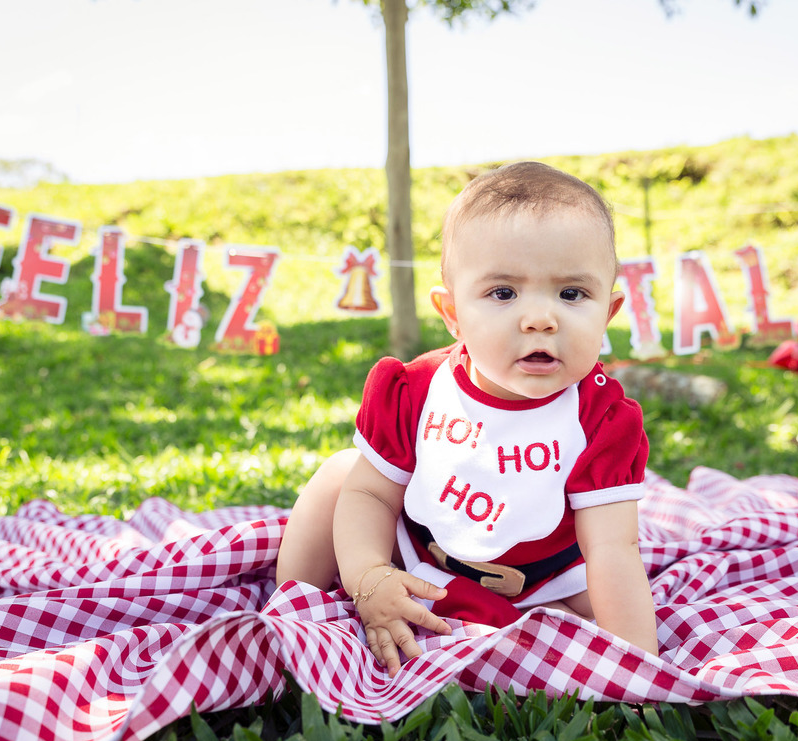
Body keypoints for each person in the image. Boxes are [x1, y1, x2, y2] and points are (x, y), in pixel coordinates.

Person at [276, 161, 657, 676]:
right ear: (453, 312)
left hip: (543, 580)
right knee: (341, 477)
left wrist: (639, 669)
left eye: (572, 294)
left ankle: (529, 624)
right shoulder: (417, 389)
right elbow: (371, 496)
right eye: (503, 293)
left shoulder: (601, 418)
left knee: (599, 602)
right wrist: (369, 574)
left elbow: (612, 547)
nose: (541, 318)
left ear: (607, 314)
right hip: (422, 555)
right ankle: (290, 614)